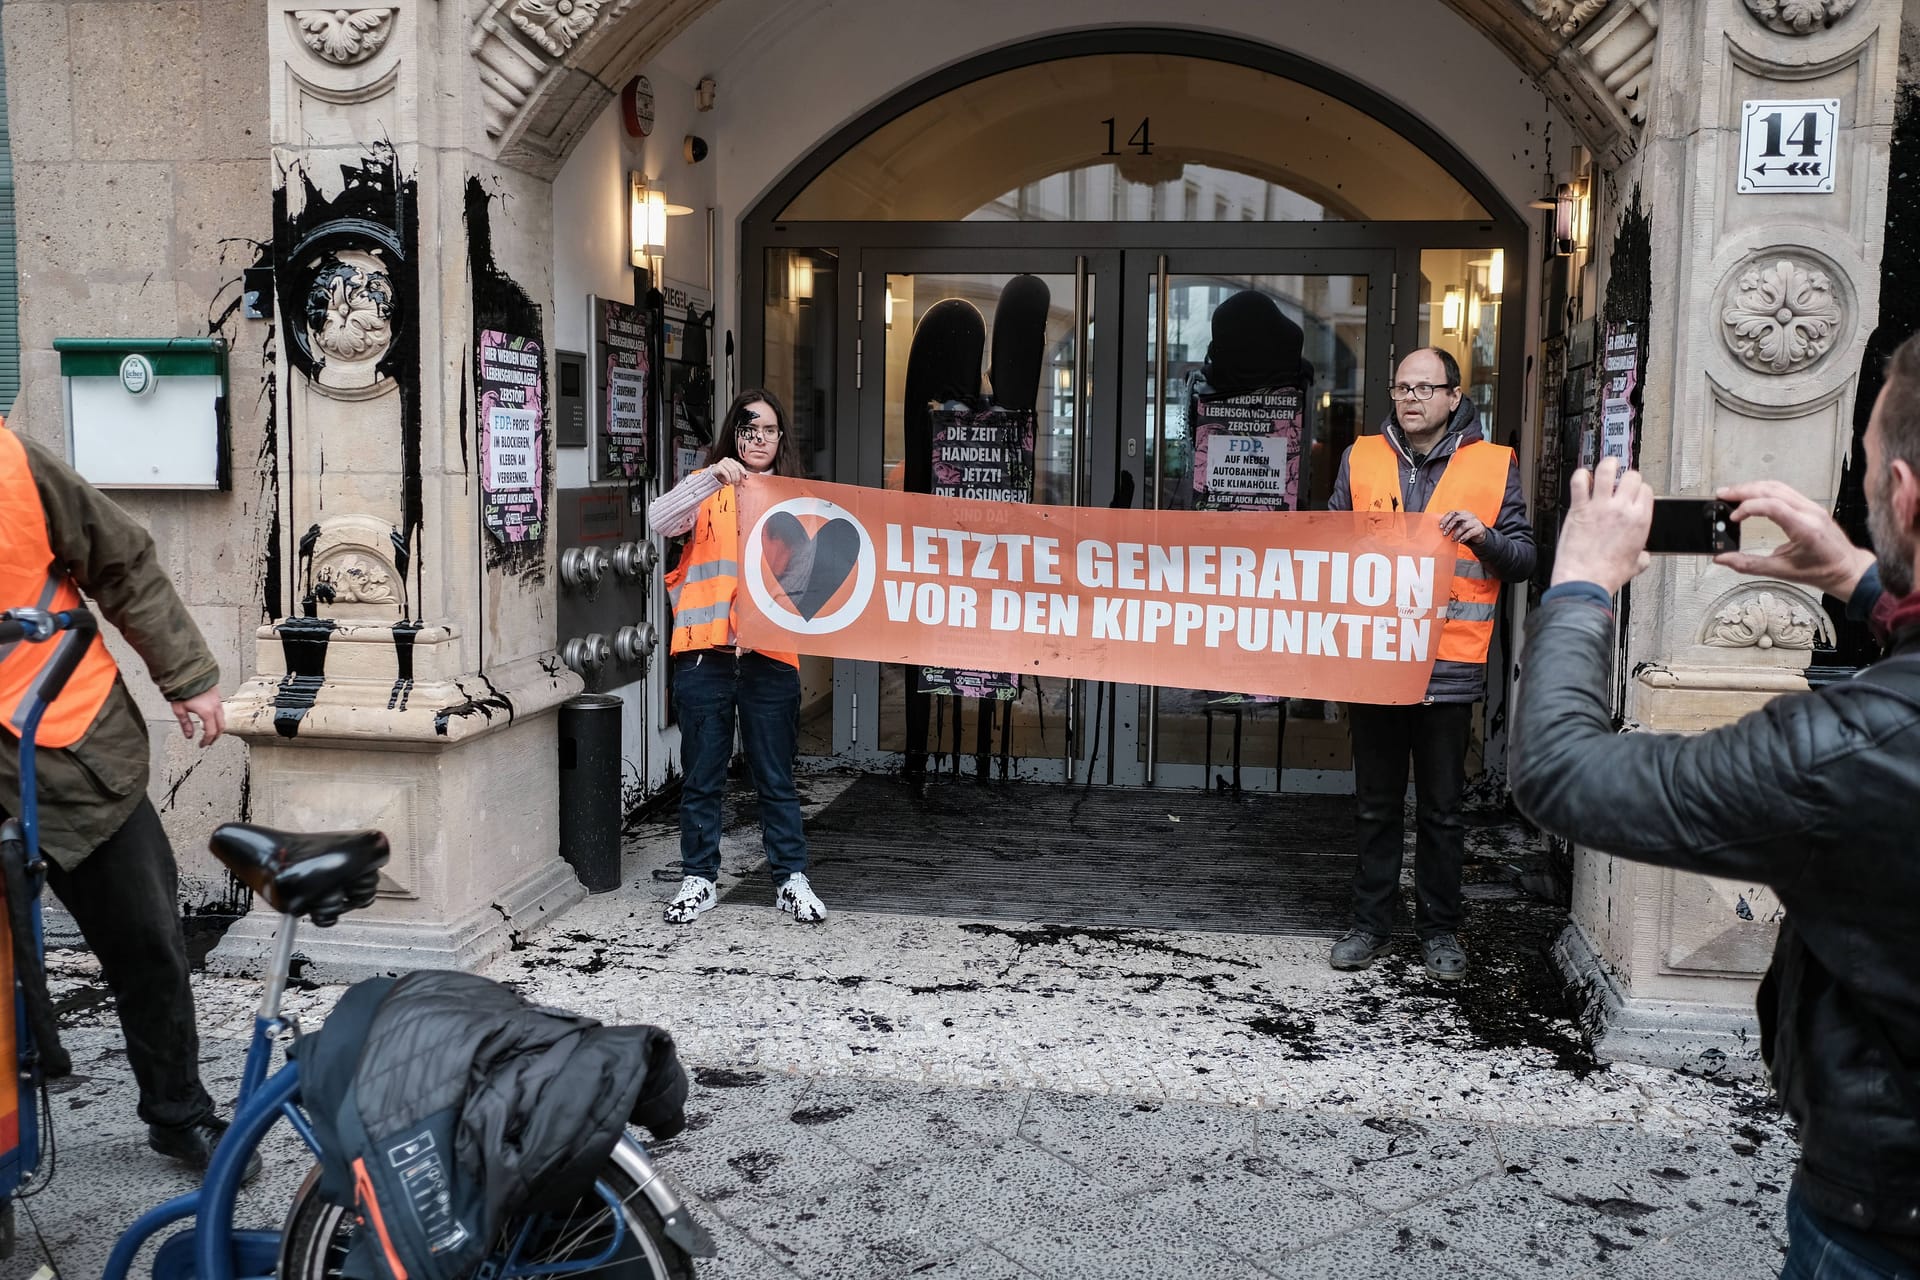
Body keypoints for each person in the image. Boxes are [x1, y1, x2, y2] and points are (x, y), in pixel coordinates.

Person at [1510, 332, 1920, 1279]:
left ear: (1902, 494)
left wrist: (1579, 585)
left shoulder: (1847, 750)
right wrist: (1861, 582)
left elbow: (1561, 772)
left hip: (1886, 1215)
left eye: (1861, 468)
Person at [0, 419, 254, 1178]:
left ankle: (179, 1114)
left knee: (145, 938)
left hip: (68, 747)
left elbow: (121, 560)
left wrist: (188, 677)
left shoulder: (12, 464)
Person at [1325, 348, 1536, 980]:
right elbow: (1328, 548)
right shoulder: (1360, 457)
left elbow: (1523, 560)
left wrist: (1483, 535)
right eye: (1401, 387)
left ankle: (1440, 932)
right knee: (1375, 803)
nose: (1410, 398)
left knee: (1444, 809)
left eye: (1424, 388)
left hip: (1447, 665)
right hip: (1377, 659)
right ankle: (1370, 925)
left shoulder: (1494, 466)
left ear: (1453, 396)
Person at [648, 389, 827, 926]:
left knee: (776, 776)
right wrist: (711, 477)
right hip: (705, 656)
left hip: (770, 656)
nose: (758, 439)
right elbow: (660, 519)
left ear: (780, 438)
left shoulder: (795, 499)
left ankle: (791, 879)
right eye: (748, 430)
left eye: (768, 430)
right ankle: (698, 879)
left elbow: (811, 578)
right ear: (734, 435)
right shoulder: (705, 489)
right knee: (703, 775)